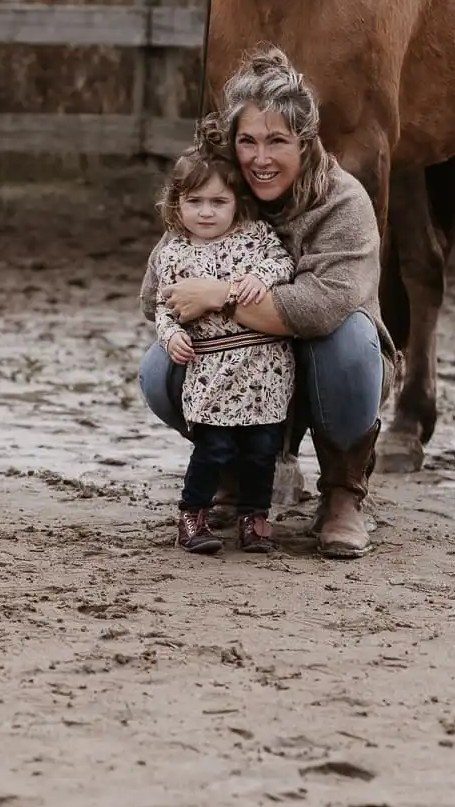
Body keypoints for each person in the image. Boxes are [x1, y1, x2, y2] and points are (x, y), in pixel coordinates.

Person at [139, 47, 394, 559]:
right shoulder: (219, 192)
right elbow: (158, 294)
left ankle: (343, 491)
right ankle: (231, 466)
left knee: (344, 342)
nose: (260, 158)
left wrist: (219, 295)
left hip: (328, 365)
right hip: (244, 369)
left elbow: (318, 308)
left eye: (277, 141)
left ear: (306, 141)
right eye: (248, 141)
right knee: (160, 370)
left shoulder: (343, 201)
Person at [141, 145, 296, 555]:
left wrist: (261, 276)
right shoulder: (174, 252)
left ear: (236, 204)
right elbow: (163, 306)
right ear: (177, 203)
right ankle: (193, 513)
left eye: (218, 202)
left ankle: (254, 516)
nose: (206, 212)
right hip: (211, 369)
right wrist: (170, 334)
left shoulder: (255, 238)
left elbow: (284, 262)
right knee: (215, 447)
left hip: (264, 368)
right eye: (195, 202)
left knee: (263, 449)